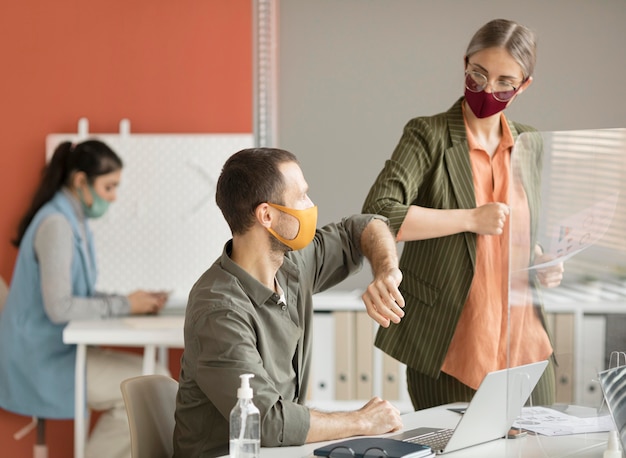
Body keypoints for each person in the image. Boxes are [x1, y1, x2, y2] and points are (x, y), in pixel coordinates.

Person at [361, 18, 564, 411]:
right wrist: (470, 218)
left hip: (528, 348)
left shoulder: (530, 143)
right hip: (453, 350)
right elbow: (379, 213)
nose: (488, 90)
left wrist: (542, 259)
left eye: (505, 82)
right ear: (465, 64)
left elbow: (521, 231)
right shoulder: (428, 135)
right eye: (479, 74)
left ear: (524, 86)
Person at [173, 147, 406, 457]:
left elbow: (363, 228)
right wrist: (361, 420)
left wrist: (387, 271)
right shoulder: (218, 310)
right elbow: (267, 422)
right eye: (302, 197)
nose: (311, 206)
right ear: (267, 215)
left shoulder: (291, 265)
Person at [0, 139, 170, 458]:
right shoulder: (56, 224)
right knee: (148, 388)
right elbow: (60, 307)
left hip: (58, 351)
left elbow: (80, 295)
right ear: (81, 181)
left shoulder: (74, 219)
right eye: (109, 187)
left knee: (154, 379)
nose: (114, 197)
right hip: (41, 360)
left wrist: (130, 300)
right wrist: (125, 305)